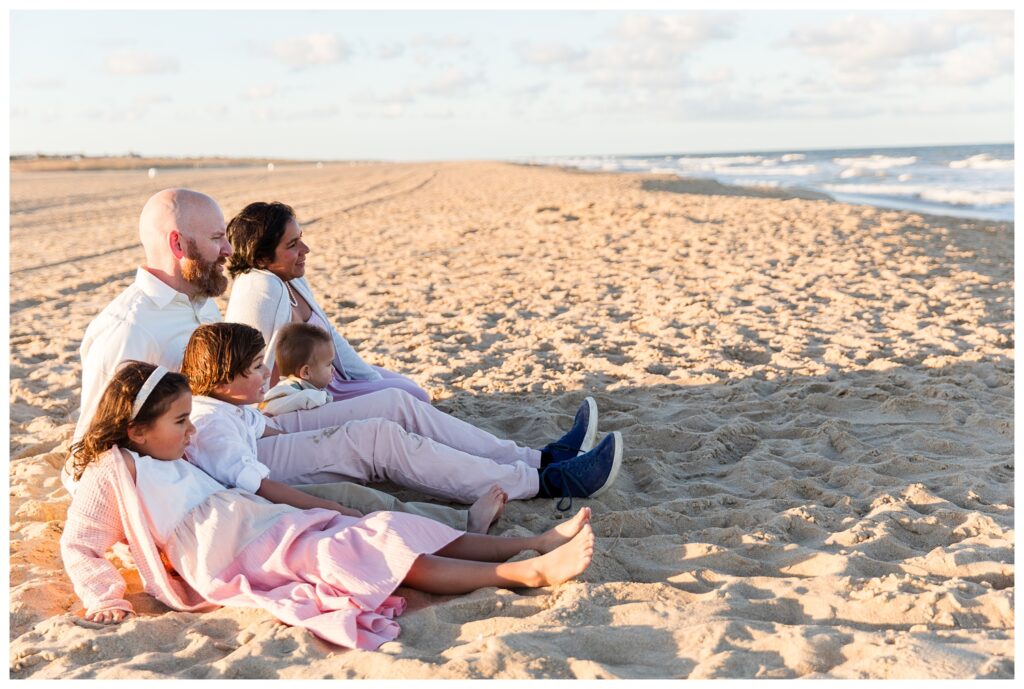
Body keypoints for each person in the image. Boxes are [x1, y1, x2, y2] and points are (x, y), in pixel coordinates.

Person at [60, 362, 596, 650]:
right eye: (180, 421)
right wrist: (106, 596)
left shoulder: (174, 453)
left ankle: (531, 541)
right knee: (370, 549)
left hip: (265, 525)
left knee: (391, 524)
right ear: (135, 430)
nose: (191, 429)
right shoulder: (114, 472)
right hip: (242, 556)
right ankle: (523, 572)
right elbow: (80, 543)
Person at [61, 189, 477, 523]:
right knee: (359, 477)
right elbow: (92, 451)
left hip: (248, 435)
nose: (228, 249)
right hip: (213, 473)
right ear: (177, 243)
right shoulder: (130, 328)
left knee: (389, 415)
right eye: (215, 239)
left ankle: (528, 468)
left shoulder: (201, 302)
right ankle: (495, 505)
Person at [181, 322, 622, 506]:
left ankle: (538, 457)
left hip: (269, 436)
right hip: (268, 470)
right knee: (377, 437)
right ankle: (545, 482)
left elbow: (260, 427)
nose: (266, 375)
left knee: (394, 404)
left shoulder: (227, 404)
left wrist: (288, 429)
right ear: (223, 382)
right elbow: (252, 484)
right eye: (257, 369)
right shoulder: (213, 423)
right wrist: (324, 508)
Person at [224, 201, 429, 402]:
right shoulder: (259, 289)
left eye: (301, 239)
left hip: (331, 373)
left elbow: (331, 337)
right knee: (415, 396)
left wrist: (370, 380)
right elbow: (244, 364)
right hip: (310, 395)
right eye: (293, 244)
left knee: (409, 385)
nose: (306, 249)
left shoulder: (293, 279)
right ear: (261, 258)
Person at [258, 322, 334, 416]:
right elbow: (267, 407)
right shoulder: (286, 390)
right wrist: (323, 397)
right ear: (306, 372)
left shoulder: (300, 388)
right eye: (329, 364)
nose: (333, 369)